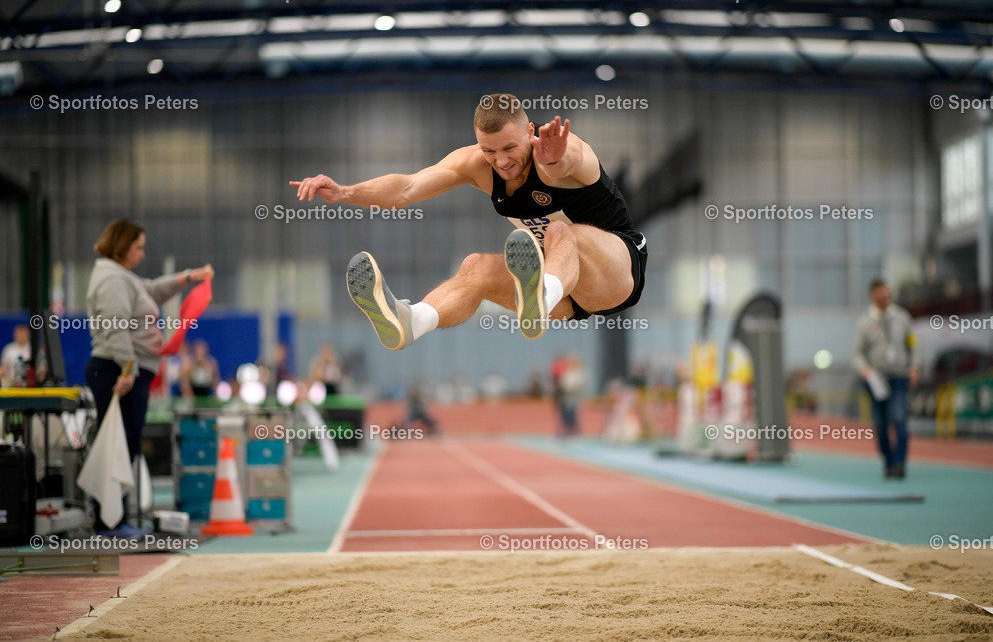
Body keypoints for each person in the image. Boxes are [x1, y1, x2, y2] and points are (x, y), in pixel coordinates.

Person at [291, 93, 647, 350]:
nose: (501, 161)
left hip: (618, 271)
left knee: (559, 231)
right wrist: (345, 193)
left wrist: (555, 160)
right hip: (566, 295)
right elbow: (406, 187)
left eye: (509, 149)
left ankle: (540, 295)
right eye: (489, 151)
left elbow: (569, 161)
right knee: (474, 267)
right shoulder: (477, 164)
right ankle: (412, 320)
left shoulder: (560, 153)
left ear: (530, 132)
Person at [86, 218, 213, 535]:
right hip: (118, 371)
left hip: (124, 369)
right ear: (121, 246)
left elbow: (153, 290)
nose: (143, 254)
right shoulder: (112, 280)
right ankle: (108, 522)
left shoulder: (122, 276)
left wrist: (188, 277)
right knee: (117, 446)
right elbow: (115, 327)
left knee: (125, 445)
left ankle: (113, 519)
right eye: (138, 248)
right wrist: (128, 369)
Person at [852, 279, 919, 479]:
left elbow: (913, 344)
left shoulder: (902, 318)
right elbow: (857, 353)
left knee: (898, 418)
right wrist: (864, 369)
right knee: (880, 424)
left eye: (886, 293)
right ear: (872, 295)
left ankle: (900, 463)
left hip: (899, 376)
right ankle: (888, 461)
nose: (883, 297)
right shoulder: (865, 322)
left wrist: (914, 366)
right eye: (879, 294)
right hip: (875, 379)